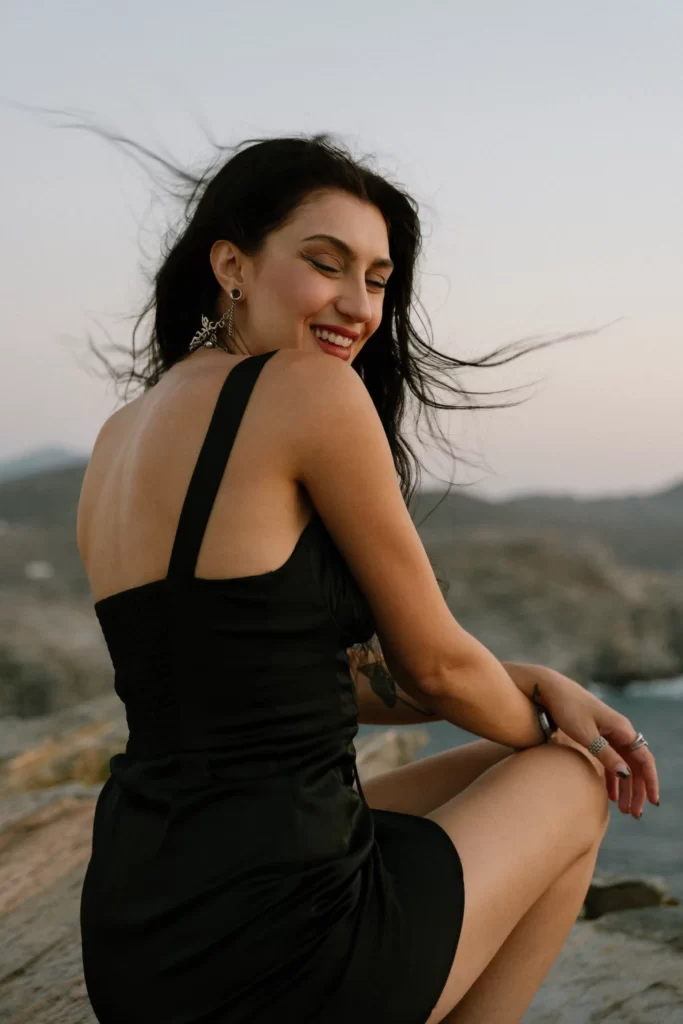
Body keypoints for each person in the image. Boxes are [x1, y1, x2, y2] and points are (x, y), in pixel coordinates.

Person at [77, 133, 659, 1024]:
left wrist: (533, 679)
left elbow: (293, 677)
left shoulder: (121, 435)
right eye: (325, 264)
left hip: (137, 926)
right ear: (231, 263)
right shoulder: (305, 389)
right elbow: (434, 668)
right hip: (280, 941)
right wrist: (546, 725)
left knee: (483, 770)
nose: (357, 305)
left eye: (378, 279)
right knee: (571, 776)